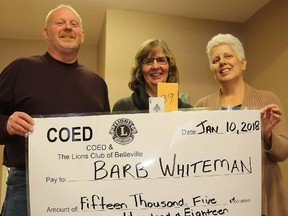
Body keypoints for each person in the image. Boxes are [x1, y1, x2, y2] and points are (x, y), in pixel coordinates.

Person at [0, 5, 110, 216]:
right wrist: (6, 124)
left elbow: (104, 136)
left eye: (74, 24)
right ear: (46, 32)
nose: (68, 28)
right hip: (27, 185)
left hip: (83, 184)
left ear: (82, 34)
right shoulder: (20, 69)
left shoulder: (97, 83)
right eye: (60, 23)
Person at [195, 33, 288, 216]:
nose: (222, 62)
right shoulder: (202, 106)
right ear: (213, 71)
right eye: (216, 60)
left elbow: (283, 152)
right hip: (219, 200)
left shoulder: (267, 99)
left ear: (243, 63)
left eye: (228, 56)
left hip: (263, 200)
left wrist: (267, 135)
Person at [112, 39, 191, 112]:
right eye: (148, 61)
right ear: (140, 69)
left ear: (170, 66)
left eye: (161, 60)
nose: (155, 66)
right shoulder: (123, 108)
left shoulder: (187, 111)